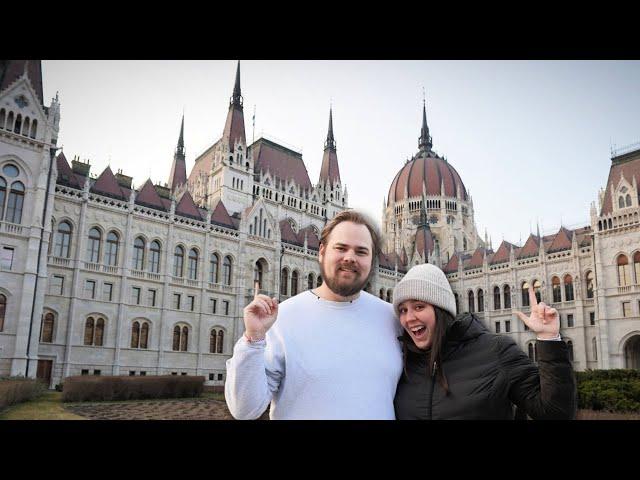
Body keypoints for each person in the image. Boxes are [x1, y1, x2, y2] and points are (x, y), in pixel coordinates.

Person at [225, 210, 403, 420]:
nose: (350, 258)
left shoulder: (393, 319)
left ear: (372, 261)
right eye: (341, 248)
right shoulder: (283, 318)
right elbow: (245, 410)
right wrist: (253, 339)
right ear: (322, 251)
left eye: (361, 251)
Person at [392, 263, 576, 420]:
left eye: (419, 306)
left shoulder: (496, 351)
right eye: (402, 310)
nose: (409, 318)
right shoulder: (404, 363)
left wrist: (549, 339)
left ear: (441, 310)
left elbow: (555, 414)